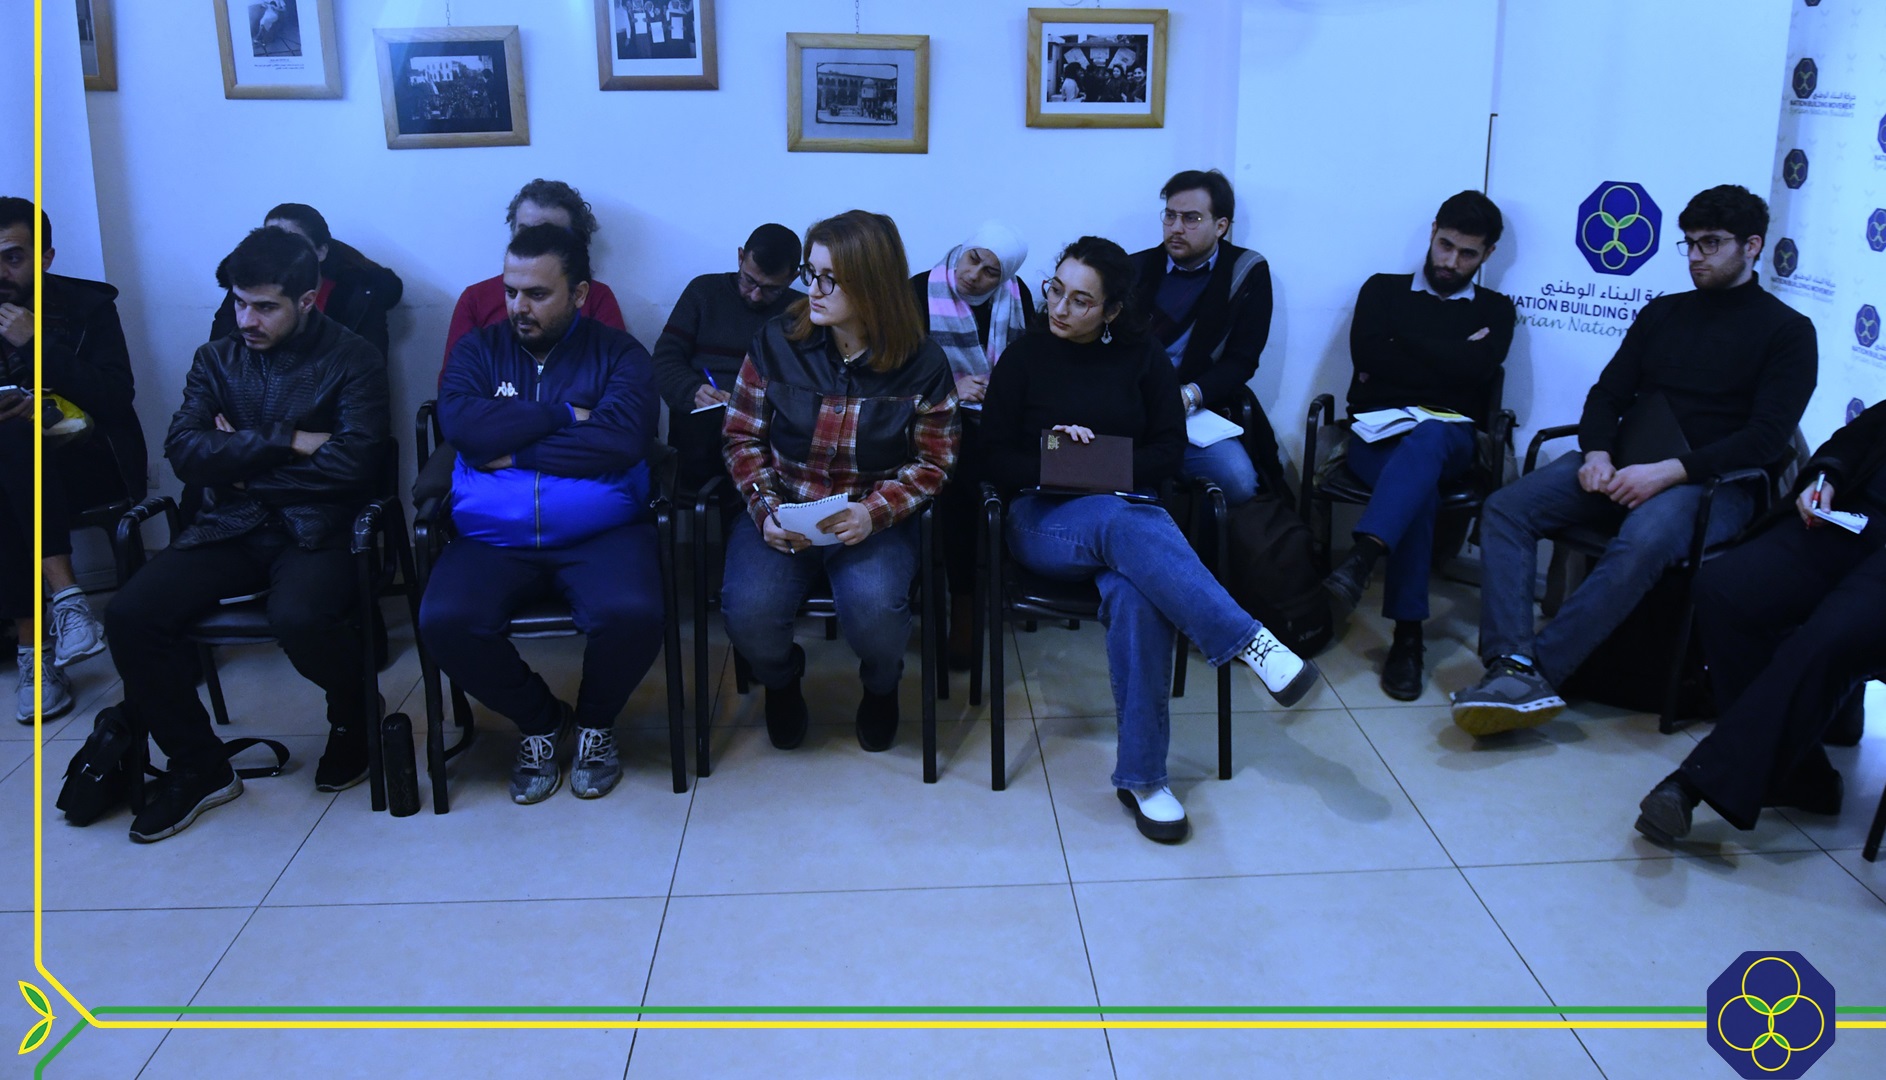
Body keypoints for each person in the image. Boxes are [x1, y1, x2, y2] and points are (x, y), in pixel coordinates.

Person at [979, 236, 1318, 844]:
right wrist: (1057, 457)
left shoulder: (1144, 359)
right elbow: (992, 455)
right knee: (1117, 520)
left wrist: (1104, 465)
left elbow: (1169, 450)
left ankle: (1144, 780)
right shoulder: (1024, 356)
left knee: (1137, 594)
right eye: (1056, 291)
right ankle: (1249, 641)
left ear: (1112, 310)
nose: (1059, 308)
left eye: (1081, 300)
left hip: (1131, 518)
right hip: (1042, 519)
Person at [1453, 185, 1818, 736]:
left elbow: (1765, 441)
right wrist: (1598, 453)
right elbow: (1607, 395)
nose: (1696, 256)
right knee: (1506, 508)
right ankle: (1510, 661)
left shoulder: (1789, 332)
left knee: (1645, 535)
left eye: (1712, 243)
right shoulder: (1663, 313)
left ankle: (1537, 674)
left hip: (1717, 484)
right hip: (1627, 462)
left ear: (1752, 246)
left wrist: (1667, 473)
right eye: (1690, 243)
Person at [104, 226, 389, 842]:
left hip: (319, 528)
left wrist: (238, 463)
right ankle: (199, 765)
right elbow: (184, 450)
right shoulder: (216, 358)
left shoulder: (353, 358)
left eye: (265, 307)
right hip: (228, 526)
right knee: (130, 614)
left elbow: (354, 465)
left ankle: (354, 716)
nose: (246, 320)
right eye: (239, 303)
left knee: (300, 616)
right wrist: (289, 440)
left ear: (306, 301)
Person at [420, 225, 663, 804]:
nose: (518, 307)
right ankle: (542, 721)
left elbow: (621, 441)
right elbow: (465, 429)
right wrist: (565, 415)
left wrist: (517, 451)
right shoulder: (478, 350)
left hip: (601, 532)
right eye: (510, 291)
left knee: (634, 612)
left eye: (536, 294)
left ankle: (596, 724)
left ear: (579, 294)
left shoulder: (620, 354)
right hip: (490, 536)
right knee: (444, 620)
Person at [720, 210, 958, 754]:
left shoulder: (923, 363)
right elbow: (741, 436)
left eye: (830, 278)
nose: (812, 289)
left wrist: (873, 512)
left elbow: (934, 462)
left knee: (876, 611)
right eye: (812, 272)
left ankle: (881, 687)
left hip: (870, 516)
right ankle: (782, 681)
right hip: (785, 508)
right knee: (748, 613)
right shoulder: (776, 341)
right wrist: (765, 509)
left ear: (872, 284)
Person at [1634, 400, 1886, 844]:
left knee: (1829, 637)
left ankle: (1694, 783)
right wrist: (1824, 479)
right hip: (1857, 516)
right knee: (1726, 590)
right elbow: (1857, 438)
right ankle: (1802, 776)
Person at [1323, 191, 1515, 700]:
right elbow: (1369, 356)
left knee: (1430, 434)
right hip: (1377, 433)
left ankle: (1364, 555)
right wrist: (1452, 357)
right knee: (1419, 489)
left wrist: (1401, 347)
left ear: (1488, 254)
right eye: (1445, 245)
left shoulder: (1496, 310)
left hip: (1450, 437)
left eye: (1467, 253)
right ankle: (1408, 637)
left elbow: (1476, 375)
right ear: (1432, 232)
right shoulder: (1382, 290)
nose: (1451, 262)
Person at [0, 198, 144, 723]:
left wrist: (36, 344)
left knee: (12, 455)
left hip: (90, 463)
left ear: (45, 257)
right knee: (12, 444)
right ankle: (67, 602)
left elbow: (115, 397)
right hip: (16, 472)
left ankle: (33, 651)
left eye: (13, 257)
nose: (1, 273)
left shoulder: (89, 307)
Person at [907, 221, 1035, 668]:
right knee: (963, 475)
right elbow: (894, 368)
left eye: (990, 272)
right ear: (962, 250)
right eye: (972, 259)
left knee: (1019, 461)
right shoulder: (918, 291)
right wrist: (951, 387)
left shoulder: (1017, 297)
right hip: (927, 419)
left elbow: (1026, 364)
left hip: (994, 418)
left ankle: (989, 582)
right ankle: (963, 598)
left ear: (1005, 277)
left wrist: (1002, 392)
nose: (973, 275)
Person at [1129, 169, 1278, 507]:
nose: (1176, 228)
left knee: (1239, 482)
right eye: (1170, 216)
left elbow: (1242, 360)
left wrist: (1189, 396)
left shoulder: (1246, 272)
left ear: (1221, 226)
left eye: (1191, 218)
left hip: (1195, 411)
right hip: (1132, 408)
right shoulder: (1135, 269)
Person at [651, 223, 802, 490]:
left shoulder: (800, 313)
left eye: (771, 289)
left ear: (793, 278)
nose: (755, 295)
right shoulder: (704, 292)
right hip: (703, 424)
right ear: (740, 257)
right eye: (749, 280)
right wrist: (692, 391)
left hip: (768, 427)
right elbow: (665, 359)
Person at [441, 179, 627, 372]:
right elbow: (455, 381)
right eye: (525, 231)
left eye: (550, 233)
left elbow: (617, 371)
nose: (535, 240)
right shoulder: (476, 298)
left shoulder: (596, 297)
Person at [210, 203, 403, 361]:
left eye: (292, 244)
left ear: (321, 252)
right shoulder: (245, 292)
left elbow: (368, 373)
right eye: (270, 243)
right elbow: (217, 363)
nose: (277, 254)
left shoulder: (358, 297)